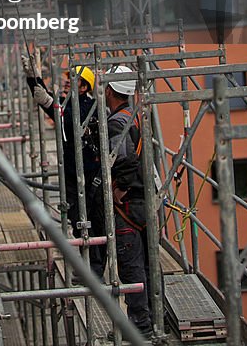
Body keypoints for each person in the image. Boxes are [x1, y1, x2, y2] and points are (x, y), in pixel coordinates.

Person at [22, 54, 104, 272]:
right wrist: (33, 77)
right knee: (78, 220)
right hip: (73, 172)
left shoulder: (89, 106)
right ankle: (88, 267)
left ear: (85, 87)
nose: (68, 81)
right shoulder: (72, 103)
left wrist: (48, 102)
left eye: (74, 79)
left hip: (87, 176)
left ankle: (94, 271)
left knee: (88, 221)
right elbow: (51, 104)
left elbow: (66, 119)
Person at [96, 64, 153, 338]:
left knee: (132, 269)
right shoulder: (136, 116)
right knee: (147, 266)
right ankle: (152, 320)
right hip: (146, 203)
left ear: (109, 90)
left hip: (130, 207)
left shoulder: (118, 121)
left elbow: (125, 158)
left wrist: (121, 187)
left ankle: (139, 327)